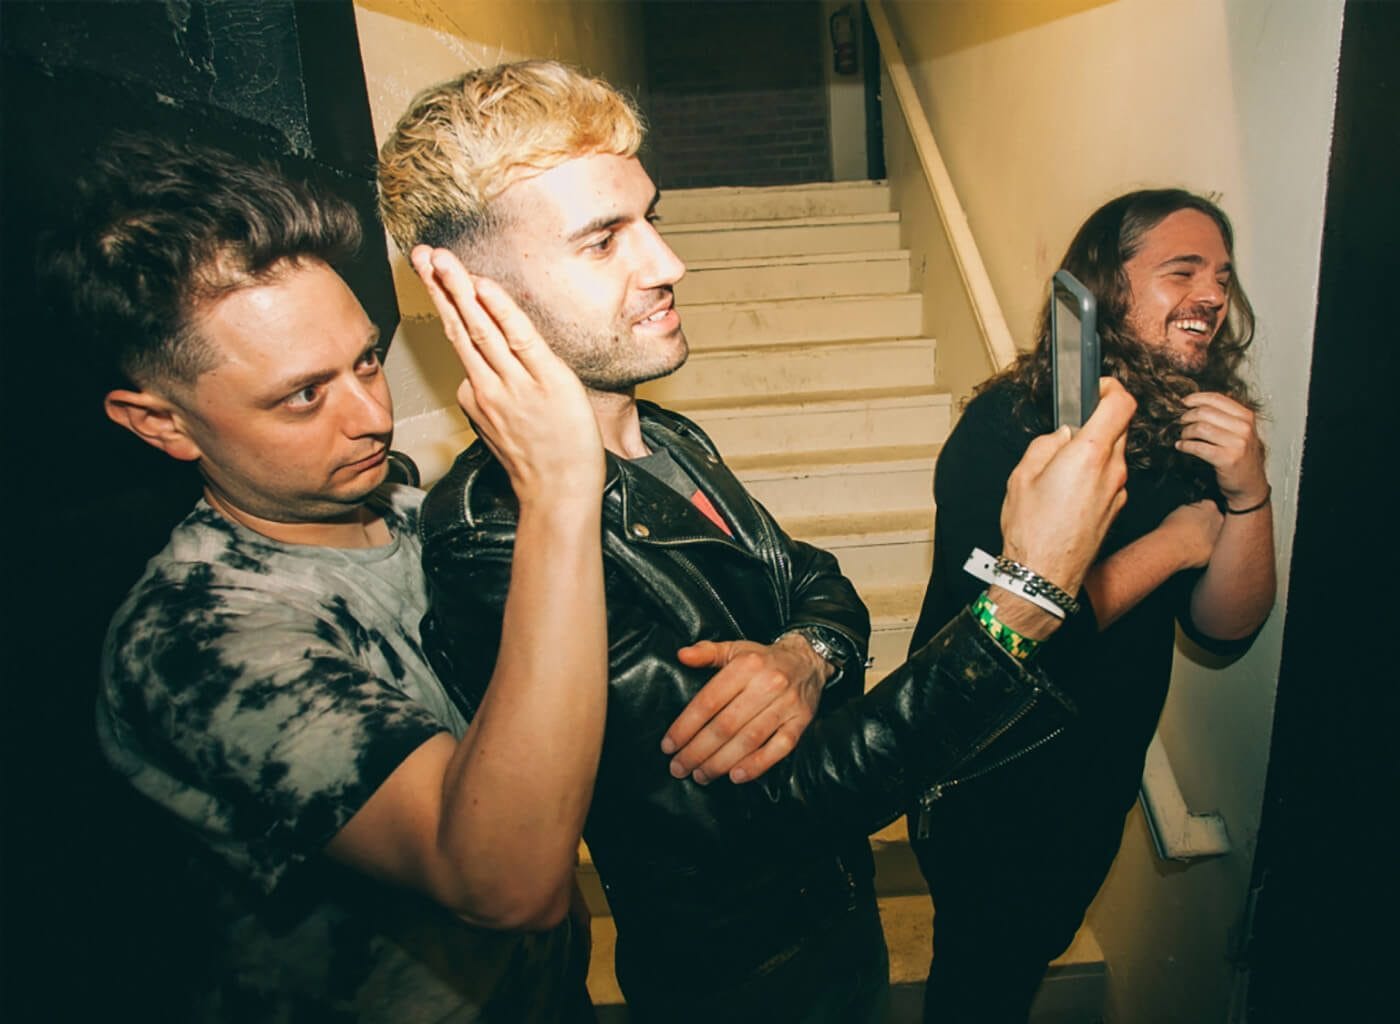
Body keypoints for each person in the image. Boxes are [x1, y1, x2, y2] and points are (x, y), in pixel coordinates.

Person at [377, 60, 1137, 1023]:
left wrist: (803, 656)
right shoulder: (495, 538)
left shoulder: (666, 434)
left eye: (648, 218)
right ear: (469, 292)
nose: (665, 263)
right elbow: (777, 811)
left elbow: (817, 582)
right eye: (604, 239)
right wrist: (1027, 592)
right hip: (742, 992)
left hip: (839, 944)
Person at [46, 135, 613, 1022]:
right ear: (160, 424)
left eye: (367, 361)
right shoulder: (198, 637)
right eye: (302, 395)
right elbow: (500, 880)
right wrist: (560, 494)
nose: (371, 417)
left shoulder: (405, 506)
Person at [906, 189, 1277, 1023]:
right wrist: (1176, 545)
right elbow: (1004, 630)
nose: (1212, 295)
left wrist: (1248, 495)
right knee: (976, 982)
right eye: (1182, 270)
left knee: (1019, 960)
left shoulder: (1190, 432)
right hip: (988, 777)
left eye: (1222, 275)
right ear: (1104, 287)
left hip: (1093, 781)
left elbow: (1226, 628)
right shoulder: (1010, 428)